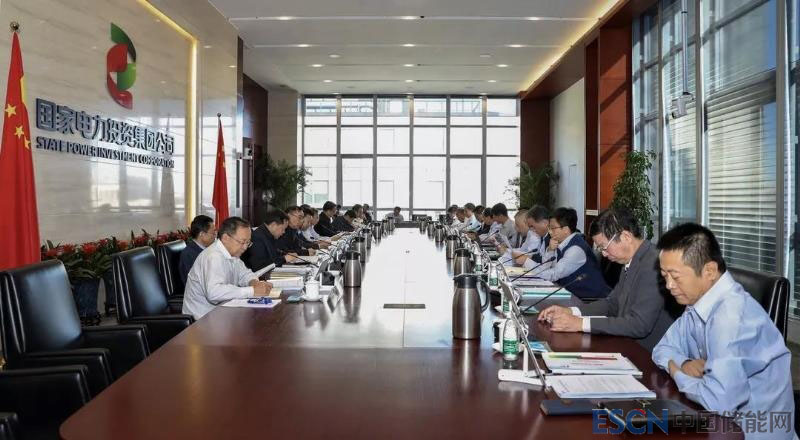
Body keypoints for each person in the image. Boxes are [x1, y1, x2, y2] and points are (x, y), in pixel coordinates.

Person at [651, 224, 796, 439]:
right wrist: (685, 362)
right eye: (665, 276)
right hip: (718, 423)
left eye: (675, 276)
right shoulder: (698, 302)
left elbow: (719, 401)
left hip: (753, 432)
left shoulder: (730, 317)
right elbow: (662, 348)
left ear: (709, 271)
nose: (669, 285)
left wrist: (677, 372)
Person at [537, 208, 674, 351]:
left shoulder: (654, 264)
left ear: (626, 237)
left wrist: (580, 323)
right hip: (626, 343)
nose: (603, 254)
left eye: (604, 247)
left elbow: (639, 324)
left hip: (647, 354)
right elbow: (612, 304)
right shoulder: (631, 260)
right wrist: (571, 312)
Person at [182, 216, 272, 319]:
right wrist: (251, 291)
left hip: (221, 313)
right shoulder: (213, 256)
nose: (245, 247)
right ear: (225, 238)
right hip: (201, 319)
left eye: (248, 243)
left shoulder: (232, 253)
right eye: (242, 242)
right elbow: (214, 293)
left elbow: (244, 274)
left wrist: (254, 282)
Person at [517, 207, 610, 299]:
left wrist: (528, 268)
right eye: (549, 228)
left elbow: (554, 274)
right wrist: (550, 250)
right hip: (572, 295)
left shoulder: (575, 249)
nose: (549, 232)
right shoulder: (560, 244)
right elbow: (546, 267)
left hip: (590, 299)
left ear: (565, 229)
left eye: (553, 228)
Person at [179, 215, 216, 286]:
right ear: (202, 234)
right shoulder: (189, 254)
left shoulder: (207, 249)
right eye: (213, 233)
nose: (215, 236)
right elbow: (195, 283)